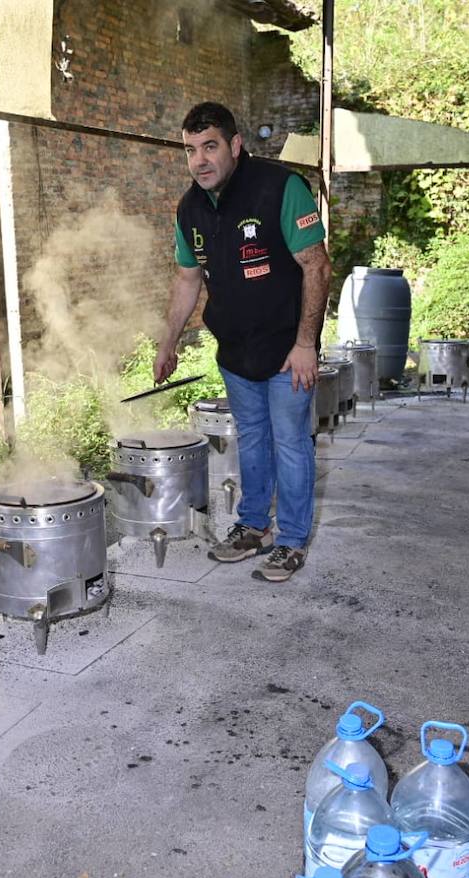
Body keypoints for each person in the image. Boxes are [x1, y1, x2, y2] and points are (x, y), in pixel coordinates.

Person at [154, 102, 331, 583]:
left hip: (285, 349)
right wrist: (167, 343)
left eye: (209, 146)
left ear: (234, 145)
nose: (200, 161)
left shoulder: (280, 188)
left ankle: (291, 541)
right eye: (190, 150)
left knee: (291, 444)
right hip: (235, 352)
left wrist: (306, 344)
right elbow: (188, 279)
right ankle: (254, 526)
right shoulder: (190, 206)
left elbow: (316, 266)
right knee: (251, 439)